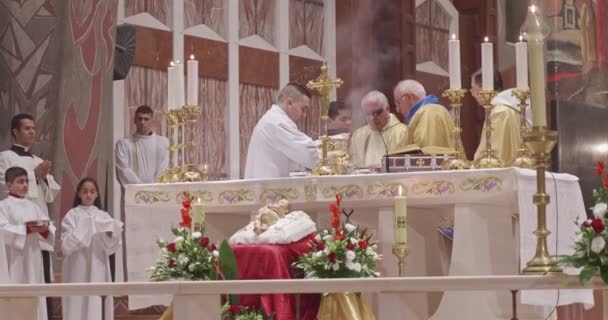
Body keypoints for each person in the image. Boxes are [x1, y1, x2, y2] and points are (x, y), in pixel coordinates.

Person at [0, 113, 59, 319]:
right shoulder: (5, 157)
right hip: (16, 231)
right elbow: (3, 184)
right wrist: (34, 176)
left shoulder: (38, 160)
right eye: (27, 128)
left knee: (40, 279)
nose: (32, 132)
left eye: (34, 128)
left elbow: (50, 194)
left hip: (37, 228)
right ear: (15, 132)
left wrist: (41, 179)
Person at [61, 177, 123, 320]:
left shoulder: (103, 215)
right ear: (79, 194)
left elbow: (111, 246)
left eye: (92, 191)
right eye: (85, 191)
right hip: (77, 266)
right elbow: (66, 246)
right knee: (78, 301)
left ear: (97, 194)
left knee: (96, 301)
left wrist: (110, 234)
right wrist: (87, 226)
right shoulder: (72, 215)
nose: (88, 195)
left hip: (98, 264)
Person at [0, 166, 55, 320]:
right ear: (9, 185)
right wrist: (26, 229)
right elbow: (2, 231)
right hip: (14, 259)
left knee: (35, 294)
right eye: (20, 182)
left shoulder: (33, 206)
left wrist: (45, 230)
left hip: (33, 256)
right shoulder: (3, 206)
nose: (25, 185)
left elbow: (49, 228)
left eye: (26, 181)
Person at [244, 83, 320, 179]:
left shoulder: (272, 119)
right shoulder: (278, 123)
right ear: (290, 103)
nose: (304, 115)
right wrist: (333, 148)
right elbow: (309, 154)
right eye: (303, 109)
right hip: (270, 189)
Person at [470, 69, 527, 165]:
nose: (471, 93)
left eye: (473, 88)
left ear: (483, 89)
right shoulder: (514, 108)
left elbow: (493, 154)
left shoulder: (499, 112)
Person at [350, 90, 408, 168]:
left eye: (377, 113)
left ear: (387, 109)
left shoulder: (403, 132)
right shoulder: (358, 134)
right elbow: (352, 164)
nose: (372, 118)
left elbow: (406, 165)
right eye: (368, 113)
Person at [115, 105, 170, 185]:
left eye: (146, 119)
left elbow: (164, 167)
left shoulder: (162, 142)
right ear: (134, 120)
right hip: (133, 192)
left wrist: (154, 187)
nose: (142, 122)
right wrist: (141, 188)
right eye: (139, 119)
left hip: (157, 191)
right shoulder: (124, 143)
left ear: (152, 121)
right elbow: (123, 169)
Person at [394, 80, 455, 148]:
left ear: (409, 97)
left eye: (398, 103)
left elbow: (428, 154)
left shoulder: (429, 113)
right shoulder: (429, 111)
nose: (397, 110)